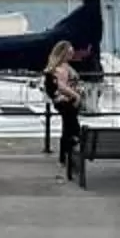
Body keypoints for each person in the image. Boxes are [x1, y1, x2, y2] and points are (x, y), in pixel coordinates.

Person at [43, 40, 84, 180]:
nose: (71, 55)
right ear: (63, 53)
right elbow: (61, 86)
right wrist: (75, 95)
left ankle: (65, 157)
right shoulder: (58, 69)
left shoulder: (62, 67)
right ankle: (67, 156)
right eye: (69, 53)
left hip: (68, 101)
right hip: (66, 101)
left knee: (68, 128)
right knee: (72, 127)